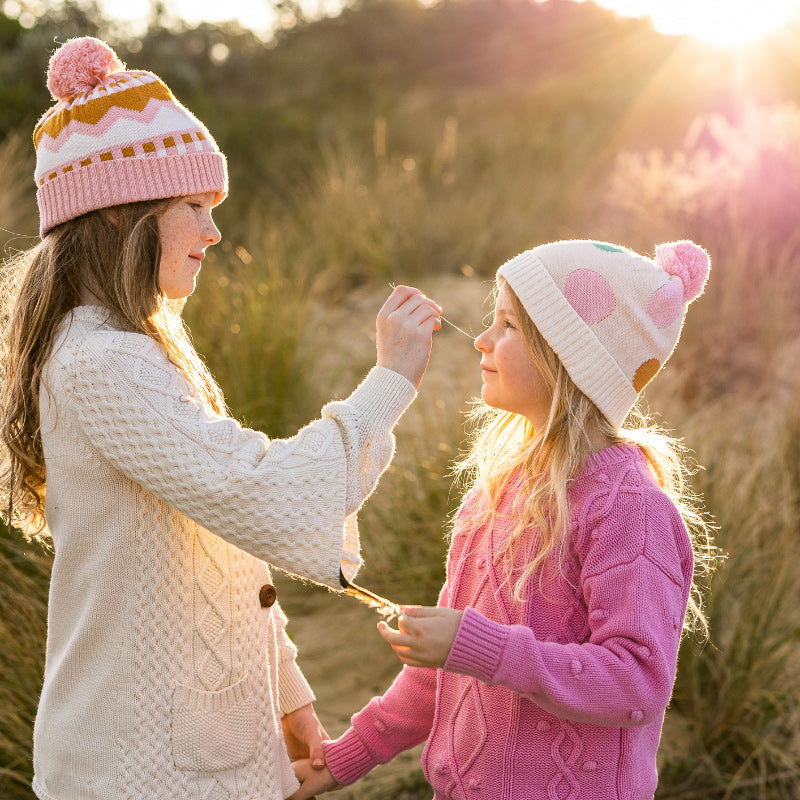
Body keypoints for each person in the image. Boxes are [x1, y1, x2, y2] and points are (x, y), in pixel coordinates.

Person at [0, 36, 442, 800]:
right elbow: (264, 499)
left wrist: (286, 689)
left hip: (191, 753)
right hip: (138, 774)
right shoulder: (102, 362)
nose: (214, 232)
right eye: (194, 208)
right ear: (118, 214)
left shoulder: (129, 346)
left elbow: (218, 533)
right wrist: (388, 383)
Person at [292, 239, 716, 799]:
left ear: (569, 359)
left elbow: (635, 681)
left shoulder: (629, 508)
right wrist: (340, 761)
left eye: (509, 326)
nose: (483, 342)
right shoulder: (494, 494)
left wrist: (484, 649)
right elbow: (439, 675)